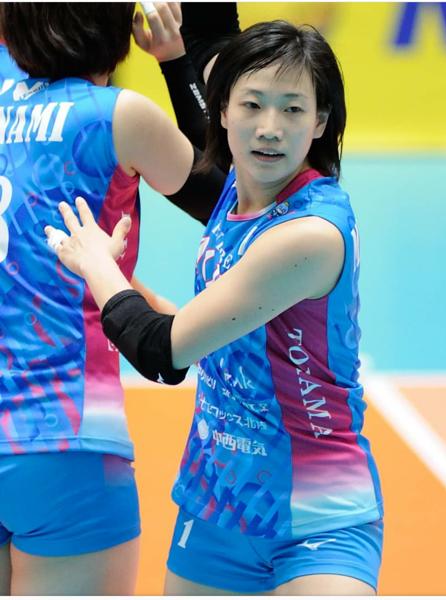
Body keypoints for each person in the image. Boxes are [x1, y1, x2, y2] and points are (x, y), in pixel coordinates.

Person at [47, 14, 384, 596]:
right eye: (252, 106)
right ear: (224, 112)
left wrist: (99, 266)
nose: (270, 129)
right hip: (216, 508)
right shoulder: (240, 191)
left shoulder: (309, 234)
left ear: (320, 121)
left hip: (319, 520)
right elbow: (205, 147)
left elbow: (162, 351)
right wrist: (174, 56)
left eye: (293, 110)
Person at [0, 2, 222, 594]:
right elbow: (230, 201)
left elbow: (29, 262)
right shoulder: (116, 115)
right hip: (64, 442)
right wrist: (176, 60)